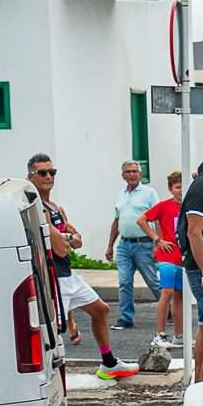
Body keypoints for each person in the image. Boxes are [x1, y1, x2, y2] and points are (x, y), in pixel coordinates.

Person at [28, 154, 135, 381]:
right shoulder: (37, 207)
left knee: (101, 310)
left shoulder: (54, 207)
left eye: (52, 172)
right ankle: (50, 389)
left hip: (68, 275)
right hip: (52, 278)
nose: (49, 177)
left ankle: (109, 363)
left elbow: (77, 240)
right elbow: (62, 247)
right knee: (53, 336)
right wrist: (68, 236)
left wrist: (66, 236)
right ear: (31, 176)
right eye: (42, 173)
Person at [104, 160, 160, 329]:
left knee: (153, 281)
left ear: (140, 174)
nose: (132, 175)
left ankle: (169, 308)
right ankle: (126, 317)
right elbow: (116, 220)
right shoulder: (121, 195)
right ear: (123, 175)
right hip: (124, 245)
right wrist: (110, 246)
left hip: (143, 244)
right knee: (124, 281)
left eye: (135, 171)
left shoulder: (149, 193)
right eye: (128, 172)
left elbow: (157, 218)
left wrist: (158, 241)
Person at [139, 170, 184, 348]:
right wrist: (157, 239)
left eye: (183, 186)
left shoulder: (189, 206)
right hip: (167, 256)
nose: (181, 190)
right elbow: (142, 220)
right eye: (177, 187)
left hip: (183, 258)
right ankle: (160, 333)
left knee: (180, 297)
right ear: (171, 189)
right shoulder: (164, 206)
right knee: (167, 293)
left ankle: (179, 335)